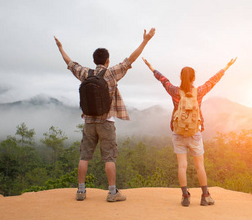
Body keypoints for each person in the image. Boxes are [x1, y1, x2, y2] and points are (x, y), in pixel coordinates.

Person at [54, 28, 155, 202]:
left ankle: (80, 191)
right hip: (106, 122)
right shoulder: (111, 73)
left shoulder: (86, 73)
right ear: (107, 61)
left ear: (94, 61)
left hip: (88, 122)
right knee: (109, 157)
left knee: (84, 156)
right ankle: (112, 193)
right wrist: (145, 41)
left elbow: (70, 63)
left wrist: (60, 48)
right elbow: (130, 59)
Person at [142, 57, 237, 206]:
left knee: (182, 166)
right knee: (200, 166)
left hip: (178, 132)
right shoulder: (198, 92)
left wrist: (151, 67)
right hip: (194, 133)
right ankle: (205, 196)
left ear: (180, 77)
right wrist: (226, 67)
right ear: (194, 78)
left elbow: (163, 79)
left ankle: (185, 197)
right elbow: (212, 81)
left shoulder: (174, 91)